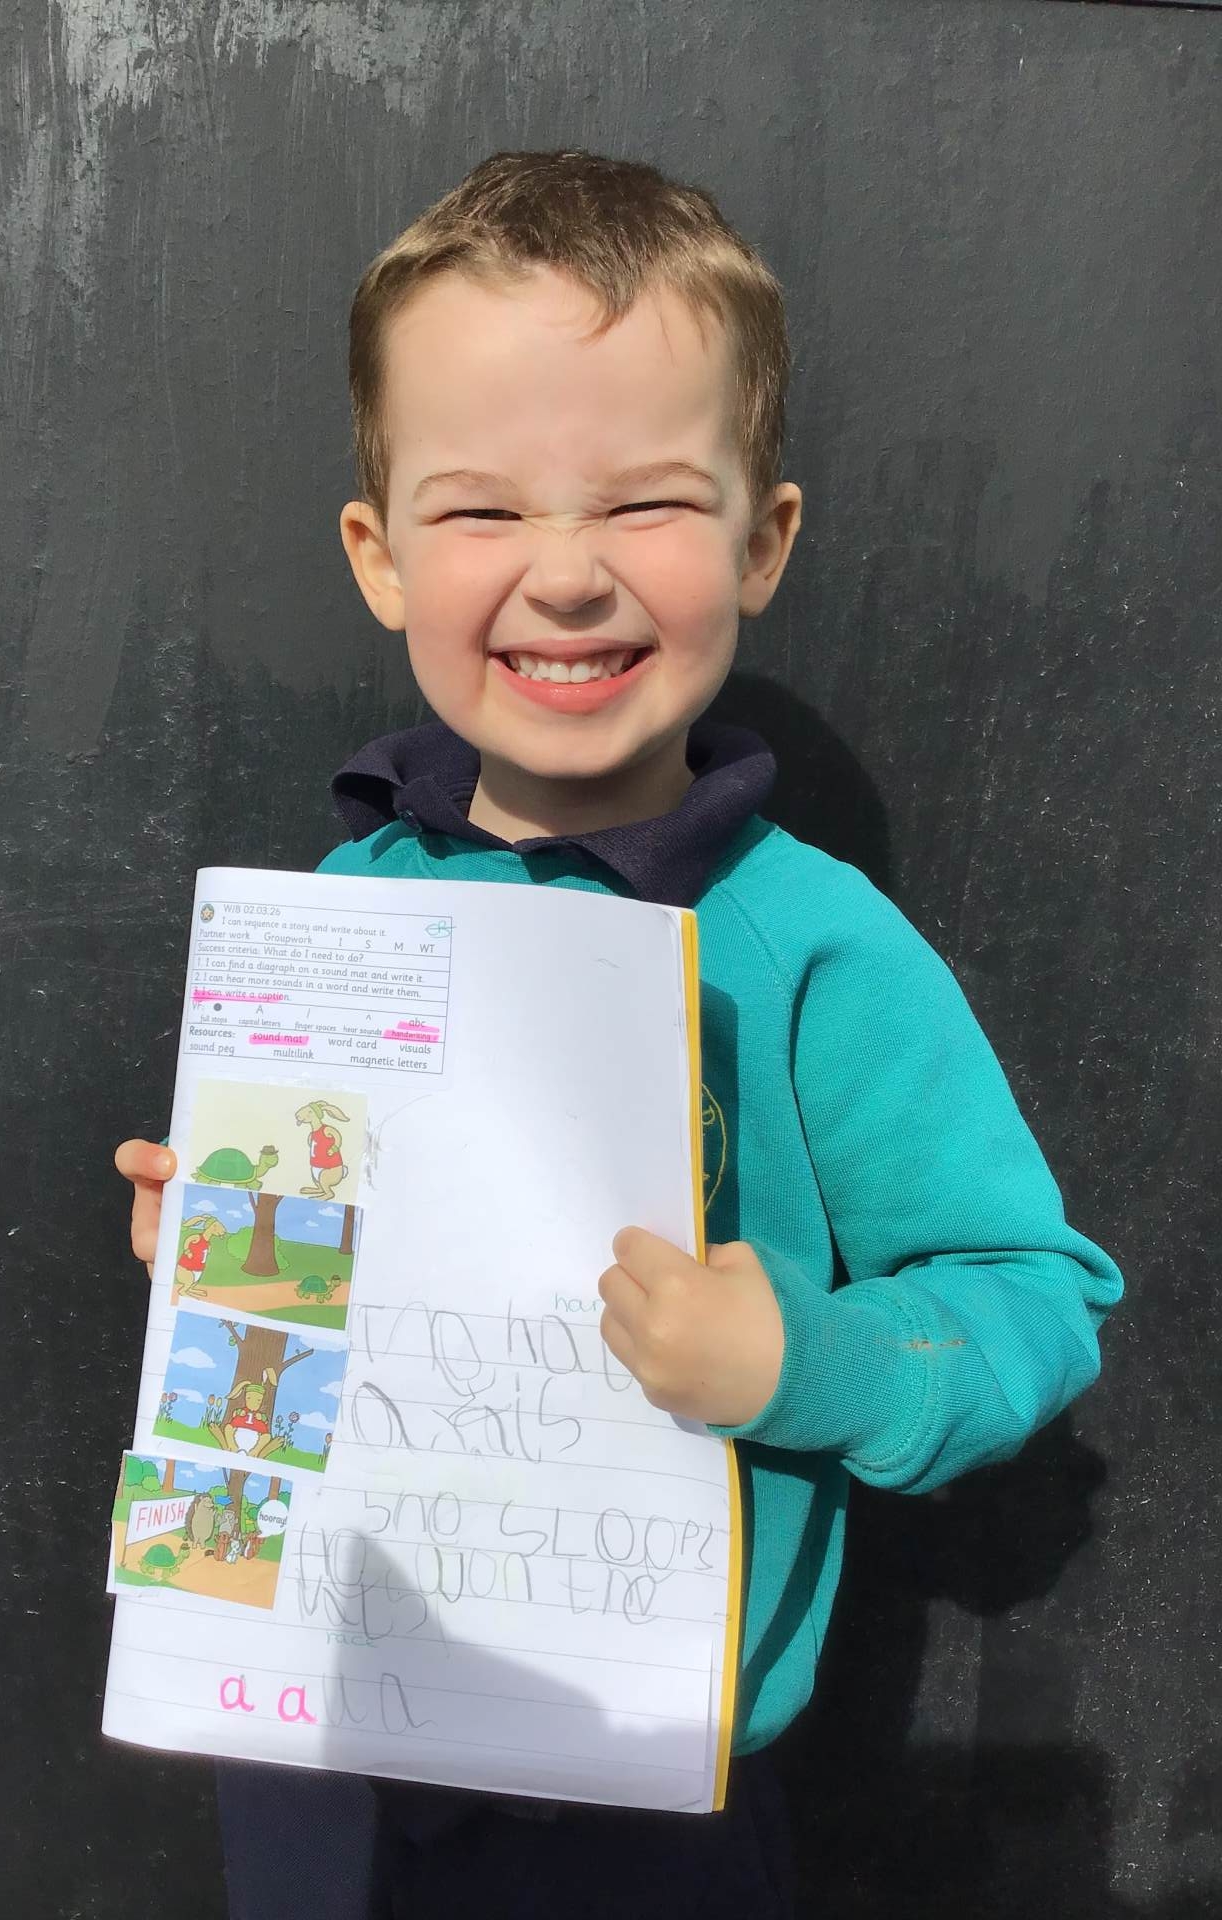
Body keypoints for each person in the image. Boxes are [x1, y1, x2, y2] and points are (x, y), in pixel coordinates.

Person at [115, 149, 1124, 1919]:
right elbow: (297, 1326)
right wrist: (222, 1248)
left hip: (646, 1802)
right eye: (482, 512)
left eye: (646, 502)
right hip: (313, 1740)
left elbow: (1035, 1297)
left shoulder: (815, 949)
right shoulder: (341, 909)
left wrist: (805, 1362)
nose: (566, 575)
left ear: (763, 539)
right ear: (378, 556)